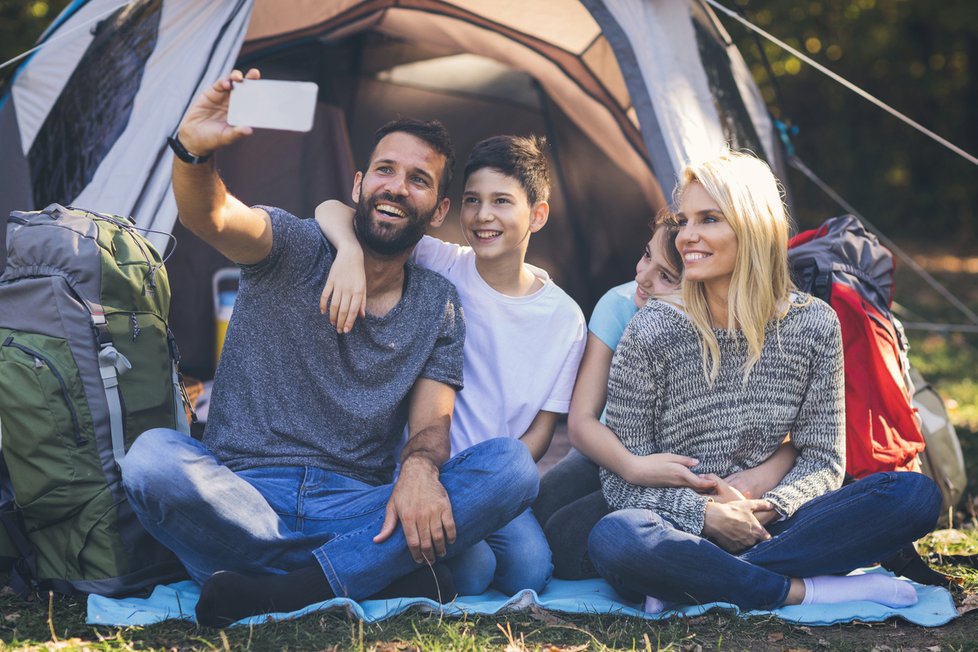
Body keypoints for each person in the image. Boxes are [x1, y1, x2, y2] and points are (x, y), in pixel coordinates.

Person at [119, 69, 539, 627]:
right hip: (240, 490)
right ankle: (353, 575)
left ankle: (279, 587)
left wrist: (418, 472)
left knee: (511, 466)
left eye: (418, 179)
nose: (397, 186)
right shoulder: (293, 246)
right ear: (359, 185)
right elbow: (212, 215)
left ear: (438, 210)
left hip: (354, 506)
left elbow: (432, 426)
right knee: (152, 459)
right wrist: (193, 152)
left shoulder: (439, 302)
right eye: (386, 170)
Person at [587, 151, 941, 612]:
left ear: (753, 227)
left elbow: (823, 458)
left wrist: (767, 507)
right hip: (677, 524)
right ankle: (805, 590)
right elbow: (621, 481)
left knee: (913, 496)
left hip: (774, 520)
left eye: (708, 219)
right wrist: (709, 516)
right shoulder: (652, 329)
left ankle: (702, 578)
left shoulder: (814, 325)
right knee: (616, 536)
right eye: (686, 219)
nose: (687, 237)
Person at [315, 134, 586, 595]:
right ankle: (409, 558)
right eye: (472, 201)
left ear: (537, 215)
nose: (483, 216)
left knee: (531, 571)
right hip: (418, 466)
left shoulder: (566, 319)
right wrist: (348, 251)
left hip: (489, 478)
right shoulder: (439, 261)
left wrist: (494, 487)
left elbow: (542, 431)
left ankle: (429, 554)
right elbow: (331, 210)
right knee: (477, 568)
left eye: (501, 201)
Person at [535, 212, 797, 579]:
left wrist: (758, 478)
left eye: (665, 277)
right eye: (646, 256)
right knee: (540, 512)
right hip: (612, 451)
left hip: (695, 469)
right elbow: (581, 423)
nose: (642, 277)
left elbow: (789, 434)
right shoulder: (620, 303)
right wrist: (633, 466)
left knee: (564, 541)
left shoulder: (740, 330)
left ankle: (692, 548)